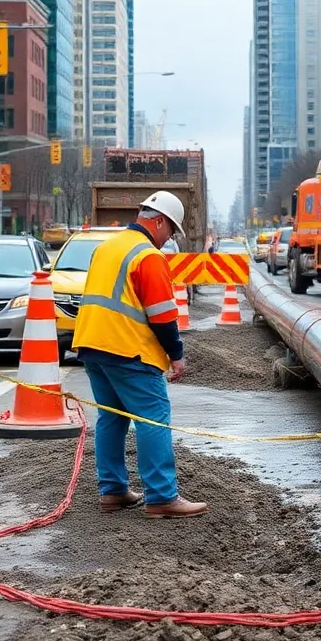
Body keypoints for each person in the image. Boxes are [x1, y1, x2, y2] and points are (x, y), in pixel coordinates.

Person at [72, 190, 207, 519]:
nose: (168, 239)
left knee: (111, 418)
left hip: (92, 344)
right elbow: (162, 315)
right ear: (158, 222)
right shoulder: (147, 255)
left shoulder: (107, 248)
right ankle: (161, 497)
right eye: (171, 231)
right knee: (153, 419)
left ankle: (113, 491)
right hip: (128, 350)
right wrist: (176, 355)